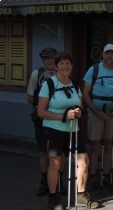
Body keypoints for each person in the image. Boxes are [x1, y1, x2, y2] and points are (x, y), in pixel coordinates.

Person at [37, 52, 99, 209]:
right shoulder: (49, 84)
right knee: (55, 162)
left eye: (68, 64)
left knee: (84, 160)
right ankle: (54, 197)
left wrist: (79, 111)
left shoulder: (74, 84)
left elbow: (80, 105)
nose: (65, 66)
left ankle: (82, 195)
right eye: (62, 63)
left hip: (73, 129)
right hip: (54, 129)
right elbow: (41, 112)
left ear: (71, 66)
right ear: (56, 66)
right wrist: (63, 115)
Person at [83, 43, 113, 189]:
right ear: (103, 54)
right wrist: (96, 112)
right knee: (95, 145)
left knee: (109, 144)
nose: (110, 56)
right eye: (107, 53)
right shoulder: (93, 70)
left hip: (112, 114)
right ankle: (93, 175)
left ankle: (106, 175)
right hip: (96, 112)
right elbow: (85, 94)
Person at [27, 47, 66, 196]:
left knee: (60, 152)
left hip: (59, 119)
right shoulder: (37, 74)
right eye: (46, 58)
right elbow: (30, 97)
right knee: (44, 151)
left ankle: (60, 181)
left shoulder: (63, 74)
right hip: (42, 118)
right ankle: (45, 181)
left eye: (51, 58)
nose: (49, 61)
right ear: (42, 60)